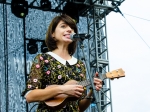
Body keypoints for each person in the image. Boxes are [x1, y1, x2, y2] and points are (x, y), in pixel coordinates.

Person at [22, 14, 102, 112]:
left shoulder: (80, 65)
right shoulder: (42, 59)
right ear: (53, 34)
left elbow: (79, 107)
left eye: (72, 28)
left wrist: (91, 91)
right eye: (63, 26)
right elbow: (30, 96)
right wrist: (63, 90)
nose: (69, 30)